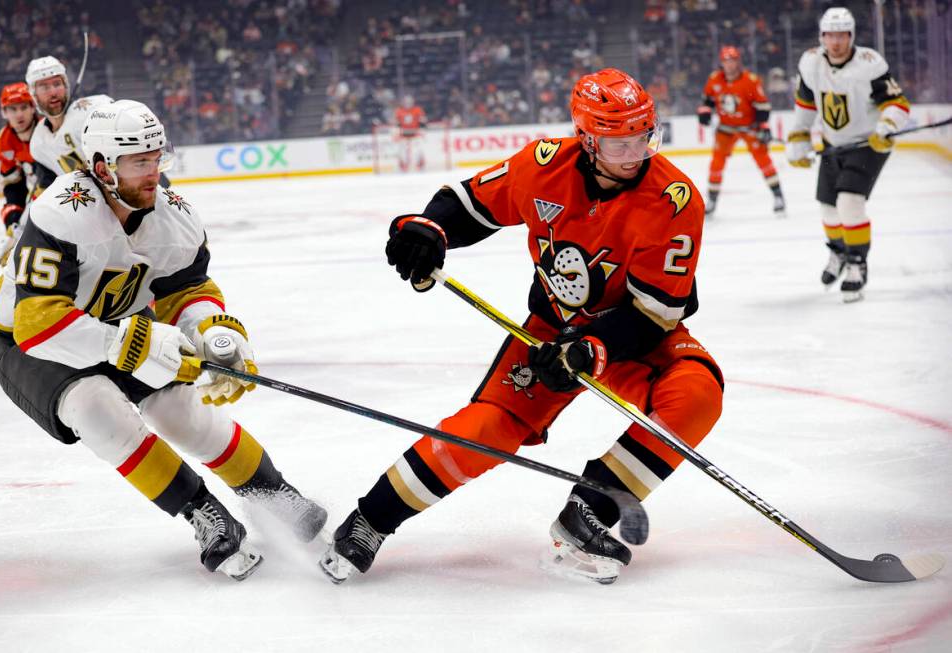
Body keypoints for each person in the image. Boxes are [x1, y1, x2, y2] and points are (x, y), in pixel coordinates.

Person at [320, 69, 724, 585]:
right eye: (618, 141)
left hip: (634, 335)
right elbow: (469, 204)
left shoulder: (674, 200)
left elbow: (655, 313)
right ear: (587, 138)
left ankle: (589, 514)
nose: (634, 152)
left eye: (641, 137)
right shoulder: (543, 166)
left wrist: (592, 350)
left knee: (697, 392)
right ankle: (369, 521)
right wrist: (429, 230)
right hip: (549, 330)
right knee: (488, 428)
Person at [0, 100, 326, 580]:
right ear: (101, 167)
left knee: (177, 408)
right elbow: (38, 323)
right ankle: (201, 511)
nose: (153, 173)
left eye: (156, 157)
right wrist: (128, 344)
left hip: (117, 320)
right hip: (28, 340)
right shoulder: (61, 212)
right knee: (97, 408)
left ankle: (272, 494)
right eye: (139, 162)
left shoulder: (172, 214)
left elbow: (187, 289)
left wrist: (214, 330)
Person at [786, 7, 910, 302]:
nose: (836, 41)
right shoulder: (811, 62)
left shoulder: (869, 63)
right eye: (830, 35)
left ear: (851, 36)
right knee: (828, 208)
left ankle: (857, 262)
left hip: (868, 143)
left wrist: (888, 125)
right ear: (822, 36)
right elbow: (806, 104)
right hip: (832, 143)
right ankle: (839, 253)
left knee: (849, 203)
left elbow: (897, 102)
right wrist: (799, 136)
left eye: (842, 35)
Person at [697, 46, 785, 218]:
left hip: (749, 127)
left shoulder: (750, 80)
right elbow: (707, 100)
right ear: (722, 63)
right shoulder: (714, 79)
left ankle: (778, 196)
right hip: (726, 129)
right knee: (716, 163)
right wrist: (705, 112)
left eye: (733, 61)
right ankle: (712, 200)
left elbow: (762, 105)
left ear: (738, 62)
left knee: (763, 160)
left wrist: (764, 126)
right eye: (726, 61)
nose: (729, 65)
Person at [25, 55, 113, 195]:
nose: (53, 92)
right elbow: (47, 188)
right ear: (33, 95)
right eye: (44, 87)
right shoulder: (38, 142)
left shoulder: (92, 111)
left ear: (66, 86)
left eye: (57, 84)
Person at [0, 82, 38, 261]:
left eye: (23, 107)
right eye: (12, 109)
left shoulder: (47, 129)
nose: (19, 114)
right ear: (4, 112)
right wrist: (14, 221)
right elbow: (13, 186)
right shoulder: (4, 141)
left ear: (33, 107)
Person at [393, 95, 428, 172]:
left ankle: (419, 163)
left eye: (409, 102)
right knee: (402, 150)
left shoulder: (417, 110)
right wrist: (397, 131)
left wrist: (422, 129)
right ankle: (403, 165)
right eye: (406, 102)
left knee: (418, 149)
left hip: (415, 133)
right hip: (403, 134)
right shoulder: (399, 111)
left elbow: (423, 121)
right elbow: (396, 123)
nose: (408, 104)